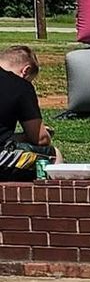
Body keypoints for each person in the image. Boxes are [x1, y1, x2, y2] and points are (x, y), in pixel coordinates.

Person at [0, 46, 56, 181]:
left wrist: (21, 137)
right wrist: (45, 133)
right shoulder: (19, 85)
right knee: (52, 156)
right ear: (26, 70)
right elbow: (40, 139)